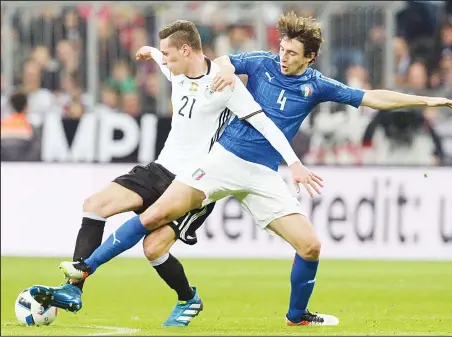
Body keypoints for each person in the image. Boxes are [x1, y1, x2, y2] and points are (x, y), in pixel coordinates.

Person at [53, 11, 452, 327]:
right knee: (155, 216)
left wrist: (427, 101)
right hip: (221, 161)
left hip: (264, 174)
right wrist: (227, 67)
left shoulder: (317, 85)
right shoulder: (263, 62)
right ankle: (84, 272)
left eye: (292, 54)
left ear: (310, 58)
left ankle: (297, 315)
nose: (282, 58)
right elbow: (223, 60)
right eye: (281, 49)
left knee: (311, 246)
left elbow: (372, 97)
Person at [29, 19, 320, 326]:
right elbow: (163, 59)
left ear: (185, 50)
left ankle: (188, 298)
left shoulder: (224, 85)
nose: (164, 61)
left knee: (153, 248)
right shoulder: (175, 70)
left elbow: (265, 125)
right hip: (159, 168)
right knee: (94, 205)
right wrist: (150, 51)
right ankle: (73, 291)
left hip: (195, 180)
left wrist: (294, 163)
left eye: (168, 54)